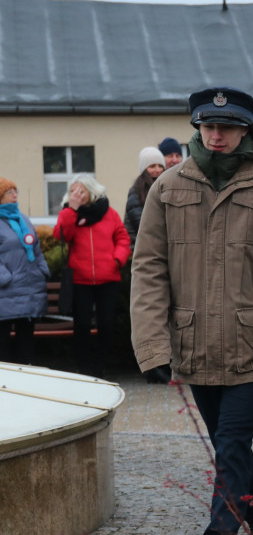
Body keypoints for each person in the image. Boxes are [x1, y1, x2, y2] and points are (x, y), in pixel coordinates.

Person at [130, 87, 253, 535]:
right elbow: (148, 268)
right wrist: (152, 345)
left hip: (252, 346)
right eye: (207, 126)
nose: (215, 135)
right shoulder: (169, 188)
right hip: (193, 343)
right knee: (229, 447)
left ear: (247, 130)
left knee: (231, 442)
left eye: (226, 127)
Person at [55, 175, 131, 378]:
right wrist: (71, 209)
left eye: (80, 191)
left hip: (108, 278)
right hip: (81, 279)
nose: (76, 195)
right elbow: (61, 234)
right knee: (81, 325)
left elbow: (123, 238)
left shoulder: (108, 213)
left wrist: (117, 260)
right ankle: (83, 367)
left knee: (106, 324)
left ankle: (101, 366)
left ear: (91, 191)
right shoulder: (68, 212)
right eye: (73, 191)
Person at [0, 178, 49, 364]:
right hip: (6, 292)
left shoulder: (24, 219)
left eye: (16, 191)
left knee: (26, 342)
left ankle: (26, 381)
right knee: (2, 342)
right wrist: (5, 278)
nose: (15, 195)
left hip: (29, 289)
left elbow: (36, 249)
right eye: (8, 192)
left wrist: (42, 270)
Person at [124, 147, 165, 249]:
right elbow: (142, 225)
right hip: (142, 247)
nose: (157, 170)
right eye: (152, 166)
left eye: (160, 166)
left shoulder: (166, 187)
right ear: (144, 169)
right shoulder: (136, 192)